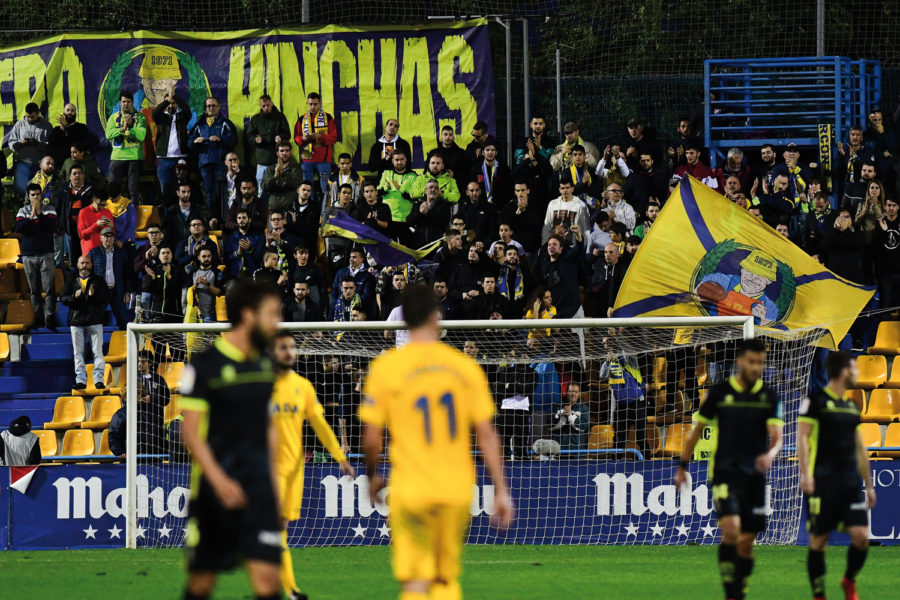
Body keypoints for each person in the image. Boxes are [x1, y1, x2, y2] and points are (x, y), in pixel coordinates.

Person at [360, 285, 513, 600]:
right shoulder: (464, 367)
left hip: (412, 487)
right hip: (456, 489)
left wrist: (373, 474)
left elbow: (372, 436)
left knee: (415, 581)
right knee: (444, 579)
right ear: (436, 317)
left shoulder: (387, 367)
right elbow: (486, 434)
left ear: (404, 321)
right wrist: (500, 489)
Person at [179, 279, 283, 600]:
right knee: (201, 584)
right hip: (214, 493)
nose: (276, 322)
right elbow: (191, 434)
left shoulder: (267, 364)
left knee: (267, 583)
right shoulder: (204, 366)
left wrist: (275, 486)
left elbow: (271, 428)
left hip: (258, 491)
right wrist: (220, 482)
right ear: (249, 315)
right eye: (272, 314)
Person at [675, 339, 784, 600]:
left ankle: (741, 587)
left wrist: (770, 454)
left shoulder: (768, 396)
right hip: (725, 471)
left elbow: (777, 436)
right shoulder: (721, 393)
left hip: (754, 476)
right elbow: (696, 432)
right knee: (732, 529)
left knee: (746, 543)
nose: (756, 367)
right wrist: (682, 466)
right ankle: (731, 592)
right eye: (751, 361)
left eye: (760, 362)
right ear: (740, 361)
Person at [270, 332, 354, 599]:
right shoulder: (259, 383)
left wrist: (339, 456)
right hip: (265, 467)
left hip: (294, 469)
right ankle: (290, 589)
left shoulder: (302, 386)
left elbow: (320, 425)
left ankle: (286, 587)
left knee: (279, 527)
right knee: (275, 527)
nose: (288, 352)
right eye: (283, 347)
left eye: (292, 348)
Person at [797, 352, 876, 600]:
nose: (857, 373)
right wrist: (805, 474)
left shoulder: (852, 405)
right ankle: (819, 594)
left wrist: (869, 485)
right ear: (843, 371)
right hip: (822, 481)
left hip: (849, 482)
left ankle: (848, 580)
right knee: (819, 540)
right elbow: (803, 438)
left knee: (861, 536)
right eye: (854, 368)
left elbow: (860, 447)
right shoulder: (816, 401)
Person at [60, 255, 109, 390]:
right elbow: (63, 298)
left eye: (87, 263)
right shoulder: (71, 281)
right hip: (76, 320)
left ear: (91, 265)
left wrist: (94, 295)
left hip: (94, 320)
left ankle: (99, 380)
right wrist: (73, 297)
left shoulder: (98, 281)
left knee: (97, 352)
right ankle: (81, 380)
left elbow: (105, 298)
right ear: (77, 264)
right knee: (78, 352)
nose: (84, 265)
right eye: (82, 263)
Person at [16, 183, 59, 329]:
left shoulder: (50, 210)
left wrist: (39, 214)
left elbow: (51, 227)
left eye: (38, 194)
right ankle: (38, 315)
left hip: (46, 254)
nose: (35, 197)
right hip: (29, 256)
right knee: (34, 290)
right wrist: (31, 217)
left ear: (41, 195)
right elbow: (20, 229)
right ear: (28, 196)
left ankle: (50, 317)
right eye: (32, 195)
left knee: (49, 288)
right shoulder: (22, 211)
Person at [188, 96, 237, 204]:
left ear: (219, 107)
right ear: (205, 108)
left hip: (221, 163)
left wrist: (221, 140)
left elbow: (233, 140)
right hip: (204, 163)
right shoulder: (199, 124)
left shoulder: (225, 123)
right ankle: (212, 219)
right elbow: (189, 143)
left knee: (222, 192)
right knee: (209, 192)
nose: (211, 108)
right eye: (208, 106)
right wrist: (195, 141)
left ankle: (223, 218)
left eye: (213, 106)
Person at [88, 227, 135, 330]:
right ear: (100, 238)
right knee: (96, 322)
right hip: (100, 291)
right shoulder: (93, 252)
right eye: (106, 236)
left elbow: (127, 274)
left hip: (116, 291)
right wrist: (90, 287)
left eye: (111, 236)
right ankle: (96, 345)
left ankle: (125, 344)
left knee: (123, 321)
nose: (109, 239)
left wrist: (127, 292)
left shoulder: (121, 252)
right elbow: (89, 273)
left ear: (114, 238)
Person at [105, 90, 147, 203]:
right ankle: (113, 212)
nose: (126, 104)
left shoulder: (140, 118)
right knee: (113, 188)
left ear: (132, 102)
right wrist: (121, 129)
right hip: (117, 157)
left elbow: (142, 136)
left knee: (133, 190)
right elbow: (108, 134)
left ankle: (133, 214)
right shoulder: (113, 117)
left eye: (128, 101)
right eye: (123, 101)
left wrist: (131, 127)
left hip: (134, 158)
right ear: (119, 102)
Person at [294, 92, 337, 200]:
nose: (313, 107)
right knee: (307, 189)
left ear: (320, 104)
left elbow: (333, 137)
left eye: (315, 104)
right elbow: (296, 137)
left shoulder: (328, 117)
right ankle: (310, 212)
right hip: (307, 159)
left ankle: (325, 213)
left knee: (325, 189)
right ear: (307, 104)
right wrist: (302, 139)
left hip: (323, 160)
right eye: (310, 104)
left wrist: (319, 137)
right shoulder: (301, 119)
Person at [246, 94, 291, 195]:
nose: (266, 108)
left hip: (277, 159)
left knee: (277, 187)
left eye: (268, 105)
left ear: (272, 103)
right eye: (263, 106)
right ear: (260, 106)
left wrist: (281, 137)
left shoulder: (280, 117)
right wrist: (255, 139)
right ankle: (261, 209)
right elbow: (249, 135)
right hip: (261, 160)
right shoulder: (255, 119)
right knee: (261, 188)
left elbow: (287, 133)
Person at [152, 86, 192, 199]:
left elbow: (187, 110)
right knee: (165, 191)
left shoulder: (183, 117)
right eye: (168, 103)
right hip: (164, 159)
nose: (171, 105)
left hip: (180, 158)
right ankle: (167, 216)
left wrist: (174, 97)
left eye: (173, 103)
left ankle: (181, 215)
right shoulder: (160, 118)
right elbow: (155, 113)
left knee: (182, 191)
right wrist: (167, 100)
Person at [5, 102, 52, 195]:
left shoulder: (47, 126)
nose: (30, 119)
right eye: (28, 117)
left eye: (32, 117)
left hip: (39, 166)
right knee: (22, 192)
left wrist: (37, 144)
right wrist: (20, 143)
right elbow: (11, 143)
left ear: (38, 113)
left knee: (38, 192)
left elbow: (51, 146)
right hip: (22, 165)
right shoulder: (19, 125)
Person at [48, 103, 93, 168]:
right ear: (63, 113)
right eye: (68, 110)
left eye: (72, 111)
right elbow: (51, 142)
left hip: (75, 165)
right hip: (59, 165)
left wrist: (67, 126)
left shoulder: (81, 127)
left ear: (75, 113)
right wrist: (61, 129)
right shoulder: (57, 129)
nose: (70, 112)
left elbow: (80, 139)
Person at [262, 141, 302, 213]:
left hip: (290, 210)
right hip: (274, 210)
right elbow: (265, 187)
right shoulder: (270, 169)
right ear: (277, 153)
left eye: (287, 150)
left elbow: (296, 185)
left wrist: (282, 173)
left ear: (290, 152)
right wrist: (275, 177)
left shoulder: (296, 168)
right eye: (282, 151)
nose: (284, 153)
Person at [550, 382, 589, 450]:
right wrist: (563, 416)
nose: (573, 394)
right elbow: (550, 426)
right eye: (571, 391)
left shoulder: (584, 408)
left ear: (579, 394)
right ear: (566, 392)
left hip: (577, 448)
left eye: (576, 392)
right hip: (558, 447)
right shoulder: (557, 406)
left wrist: (570, 416)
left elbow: (585, 427)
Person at [76, 191, 114, 257]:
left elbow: (113, 233)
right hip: (89, 251)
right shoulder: (83, 212)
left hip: (104, 251)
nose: (101, 207)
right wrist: (96, 225)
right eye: (99, 204)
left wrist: (111, 227)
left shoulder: (107, 212)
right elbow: (81, 234)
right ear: (93, 200)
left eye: (104, 205)